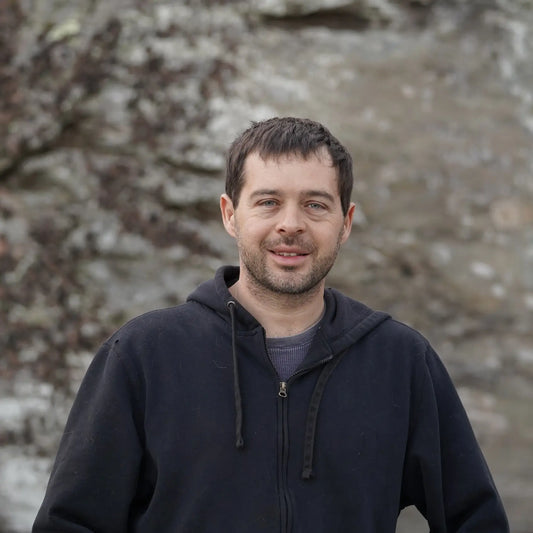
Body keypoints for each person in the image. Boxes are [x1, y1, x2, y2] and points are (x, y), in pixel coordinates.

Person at [33, 117, 509, 532]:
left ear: (345, 222)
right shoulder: (143, 355)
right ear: (230, 215)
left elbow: (476, 520)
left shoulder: (400, 361)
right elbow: (71, 523)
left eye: (315, 204)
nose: (291, 224)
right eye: (268, 202)